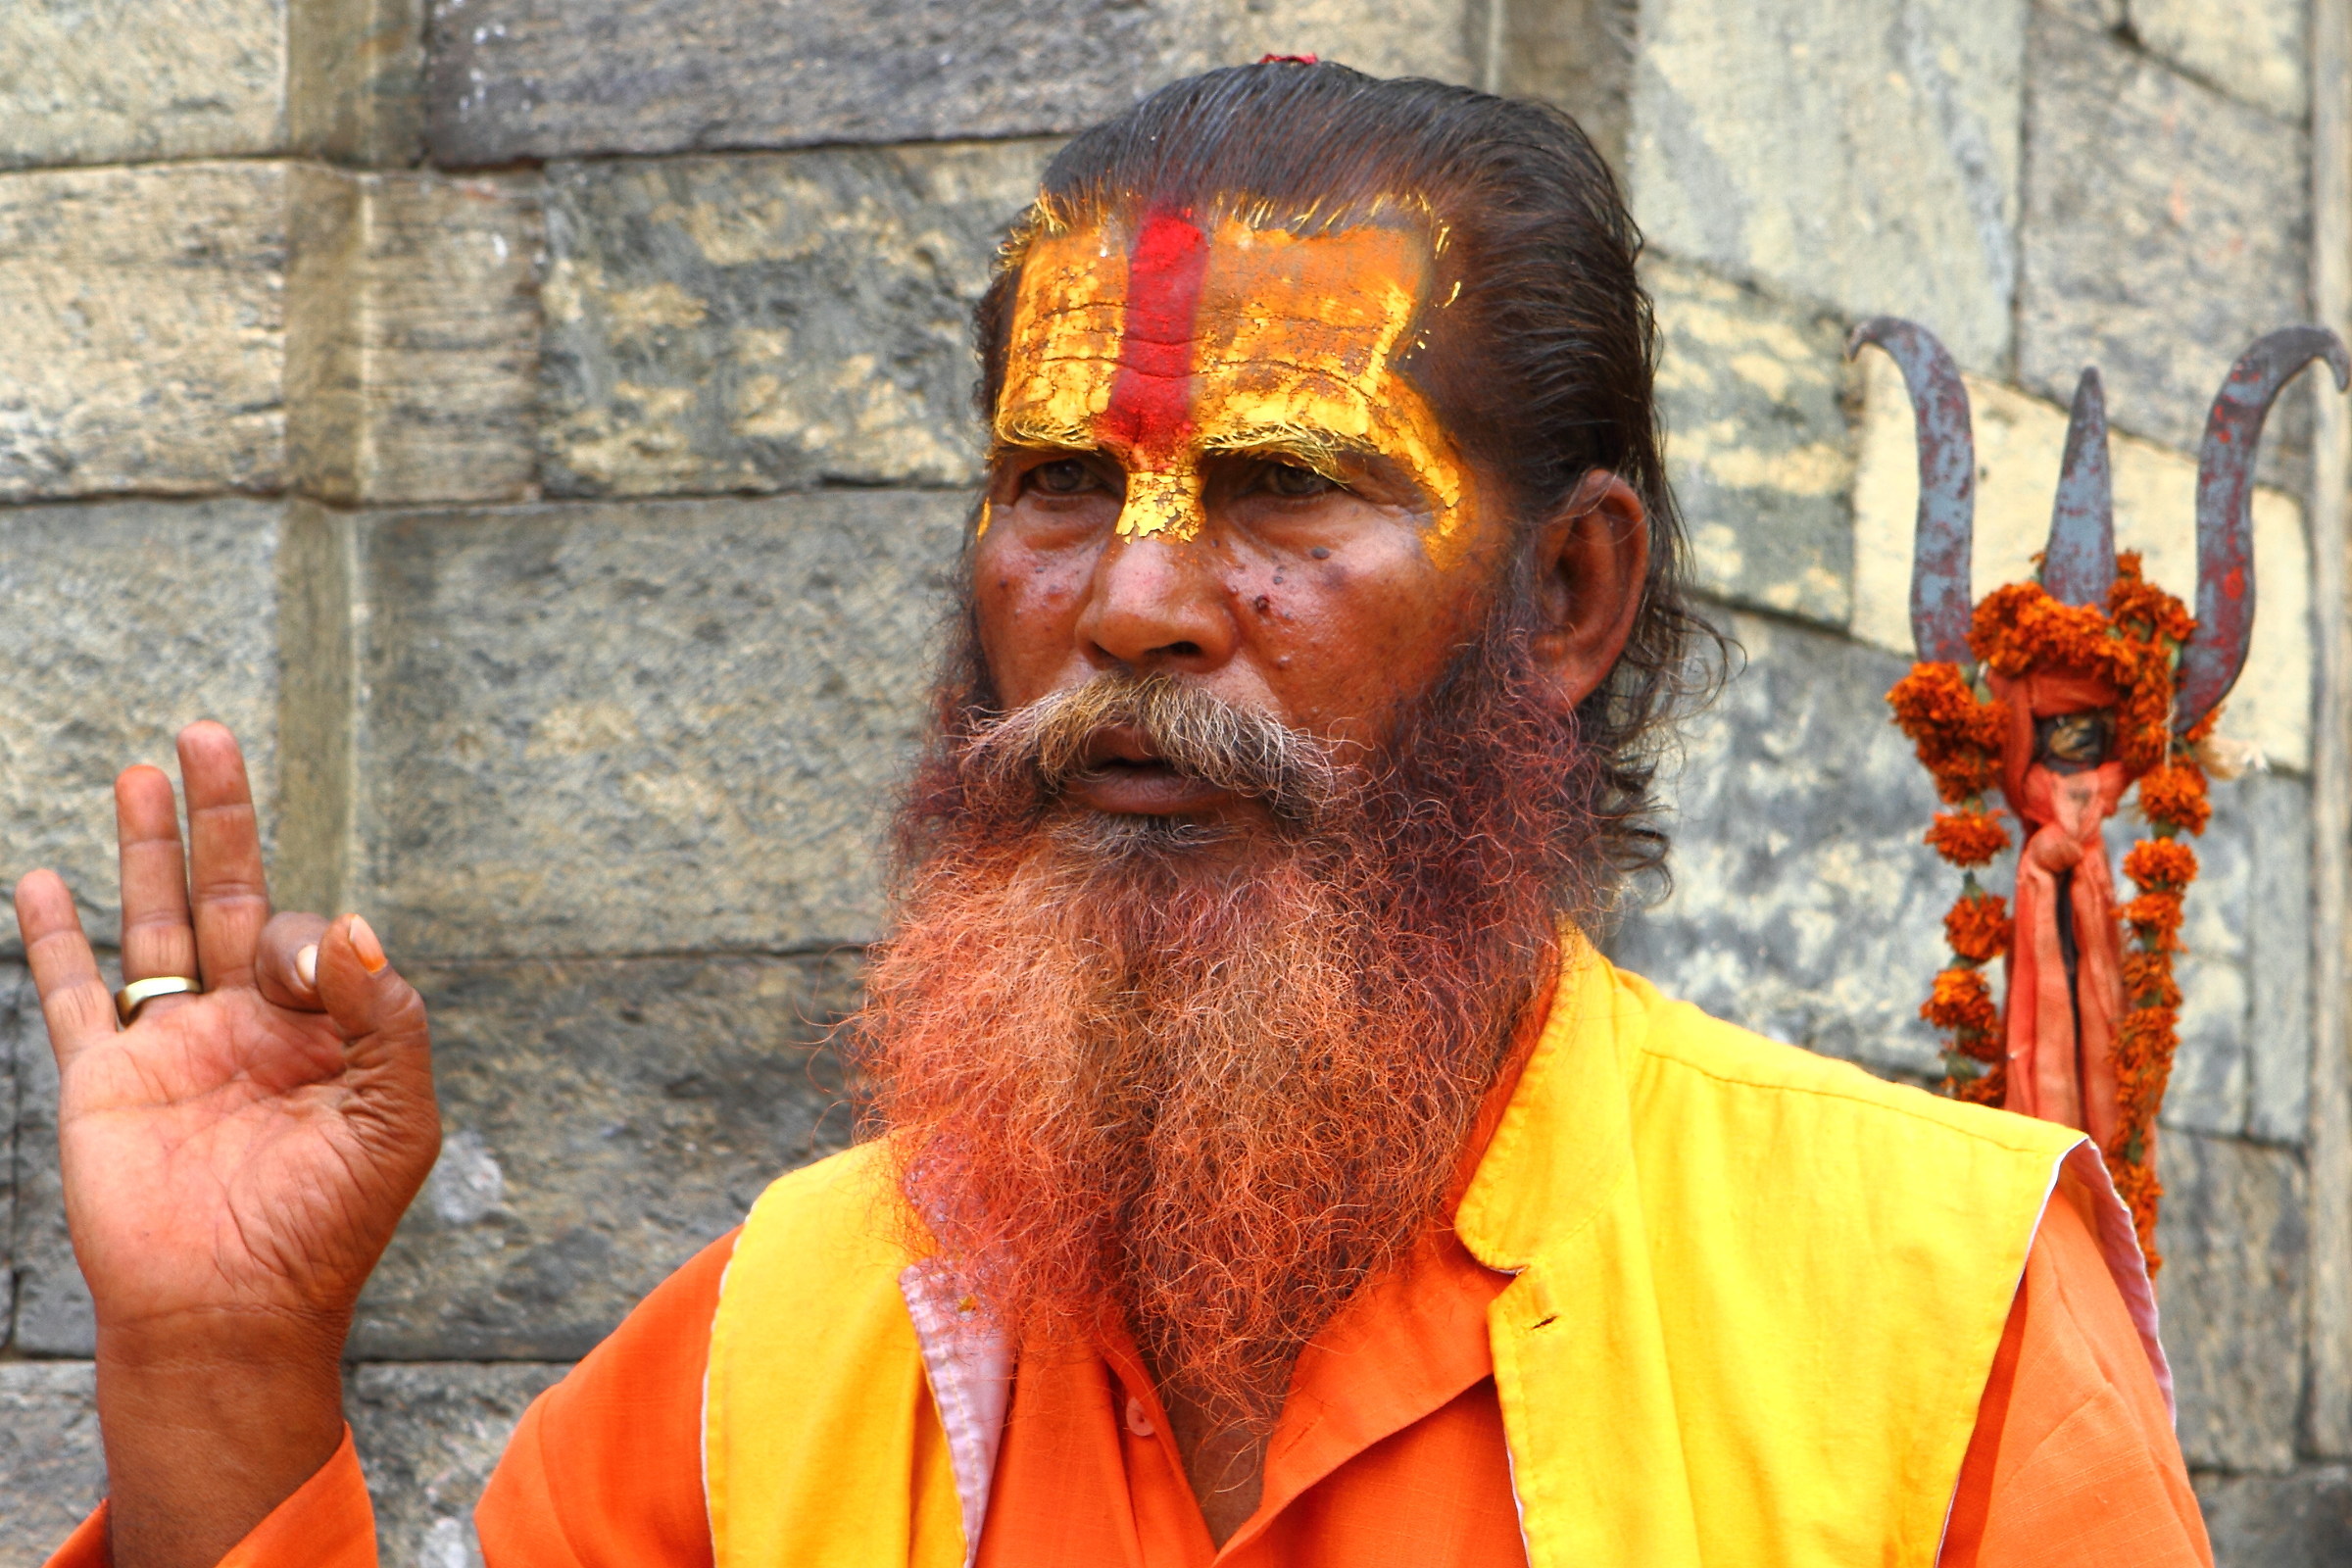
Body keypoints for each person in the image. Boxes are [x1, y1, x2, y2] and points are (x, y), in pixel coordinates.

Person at [26, 63, 2208, 1568]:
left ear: (1567, 593)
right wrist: (220, 1368)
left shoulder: (1938, 1307)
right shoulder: (772, 1342)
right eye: (1060, 484)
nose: (1137, 605)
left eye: (1283, 490)